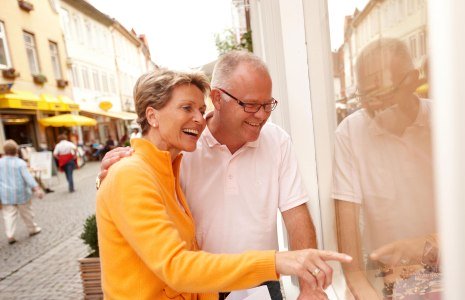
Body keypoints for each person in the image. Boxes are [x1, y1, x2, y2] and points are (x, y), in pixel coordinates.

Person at [96, 68, 352, 299]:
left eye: (199, 109)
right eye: (187, 108)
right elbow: (176, 267)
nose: (198, 118)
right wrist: (277, 262)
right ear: (152, 116)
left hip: (249, 288)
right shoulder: (133, 172)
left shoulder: (166, 169)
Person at [332, 38, 436, 299]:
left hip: (454, 263)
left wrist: (422, 246)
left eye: (382, 93)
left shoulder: (445, 121)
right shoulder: (350, 132)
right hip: (385, 274)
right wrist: (360, 287)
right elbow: (349, 238)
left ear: (412, 80)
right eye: (366, 96)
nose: (374, 105)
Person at [0, 140, 45, 244]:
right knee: (27, 213)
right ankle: (32, 229)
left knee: (8, 215)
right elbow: (27, 177)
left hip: (6, 194)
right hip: (21, 193)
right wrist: (37, 188)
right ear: (16, 150)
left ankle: (10, 234)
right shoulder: (20, 163)